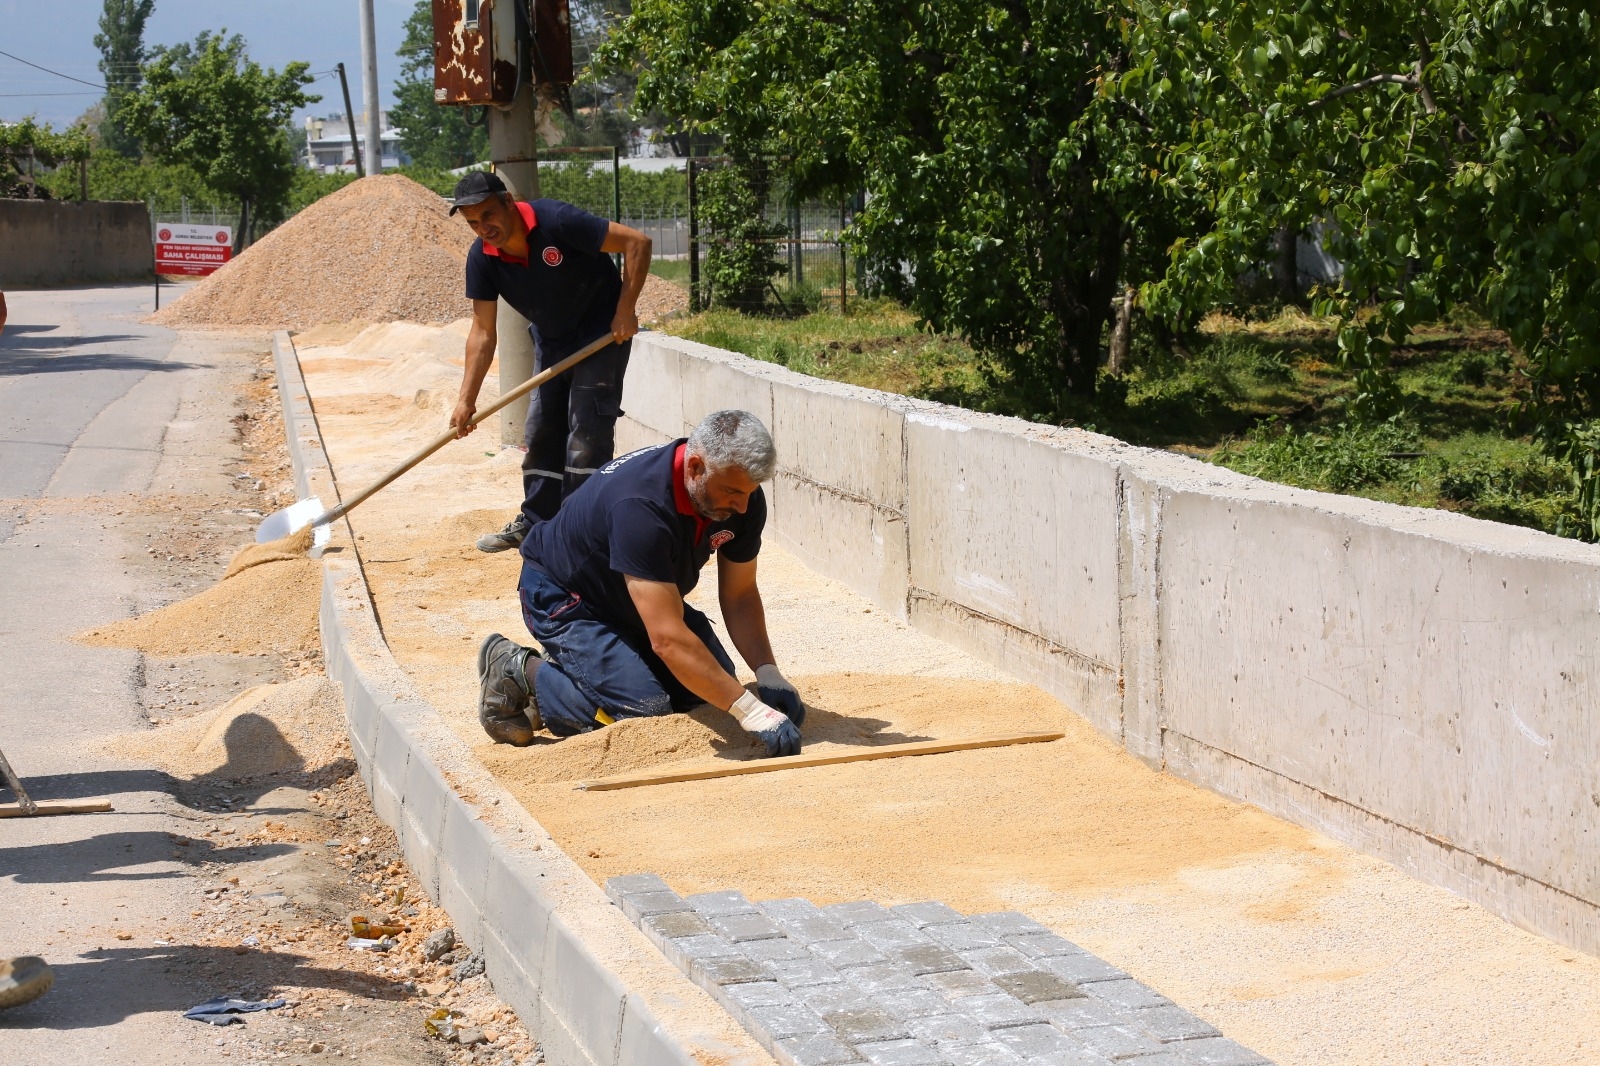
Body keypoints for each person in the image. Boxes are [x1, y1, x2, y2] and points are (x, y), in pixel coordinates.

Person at [476, 409, 805, 757]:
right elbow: (666, 639)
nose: (741, 506)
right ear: (694, 468)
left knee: (705, 692)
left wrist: (767, 671)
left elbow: (739, 595)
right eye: (731, 492)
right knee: (643, 714)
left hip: (637, 597)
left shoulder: (739, 495)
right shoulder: (640, 505)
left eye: (749, 493)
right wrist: (750, 710)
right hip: (568, 598)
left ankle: (583, 672)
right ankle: (519, 670)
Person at [448, 171, 654, 553]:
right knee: (542, 430)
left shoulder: (555, 221)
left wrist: (626, 310)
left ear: (509, 203)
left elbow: (637, 243)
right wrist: (466, 399)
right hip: (552, 340)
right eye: (472, 222)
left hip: (601, 335)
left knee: (585, 435)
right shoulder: (483, 258)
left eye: (488, 215)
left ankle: (580, 530)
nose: (482, 228)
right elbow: (482, 332)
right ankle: (537, 522)